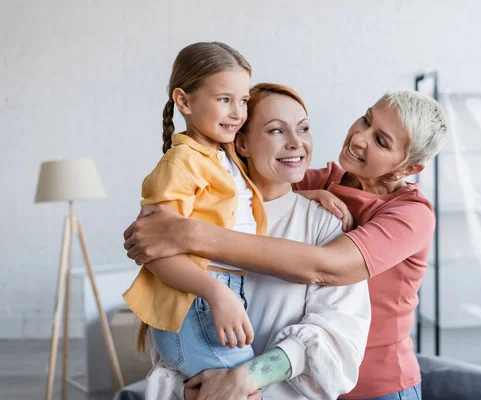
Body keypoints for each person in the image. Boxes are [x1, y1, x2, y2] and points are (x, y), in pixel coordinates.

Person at [124, 89, 447, 400]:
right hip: (283, 383)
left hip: (376, 386)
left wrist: (186, 234)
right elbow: (262, 188)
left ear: (408, 169)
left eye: (380, 141)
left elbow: (325, 267)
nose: (360, 137)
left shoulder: (411, 215)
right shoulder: (317, 183)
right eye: (366, 120)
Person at [122, 41, 264, 379]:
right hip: (199, 298)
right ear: (184, 100)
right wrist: (217, 294)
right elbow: (155, 252)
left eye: (242, 101)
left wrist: (318, 193)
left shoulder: (226, 155)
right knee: (242, 388)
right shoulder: (181, 163)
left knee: (240, 388)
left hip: (220, 294)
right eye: (224, 100)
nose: (237, 113)